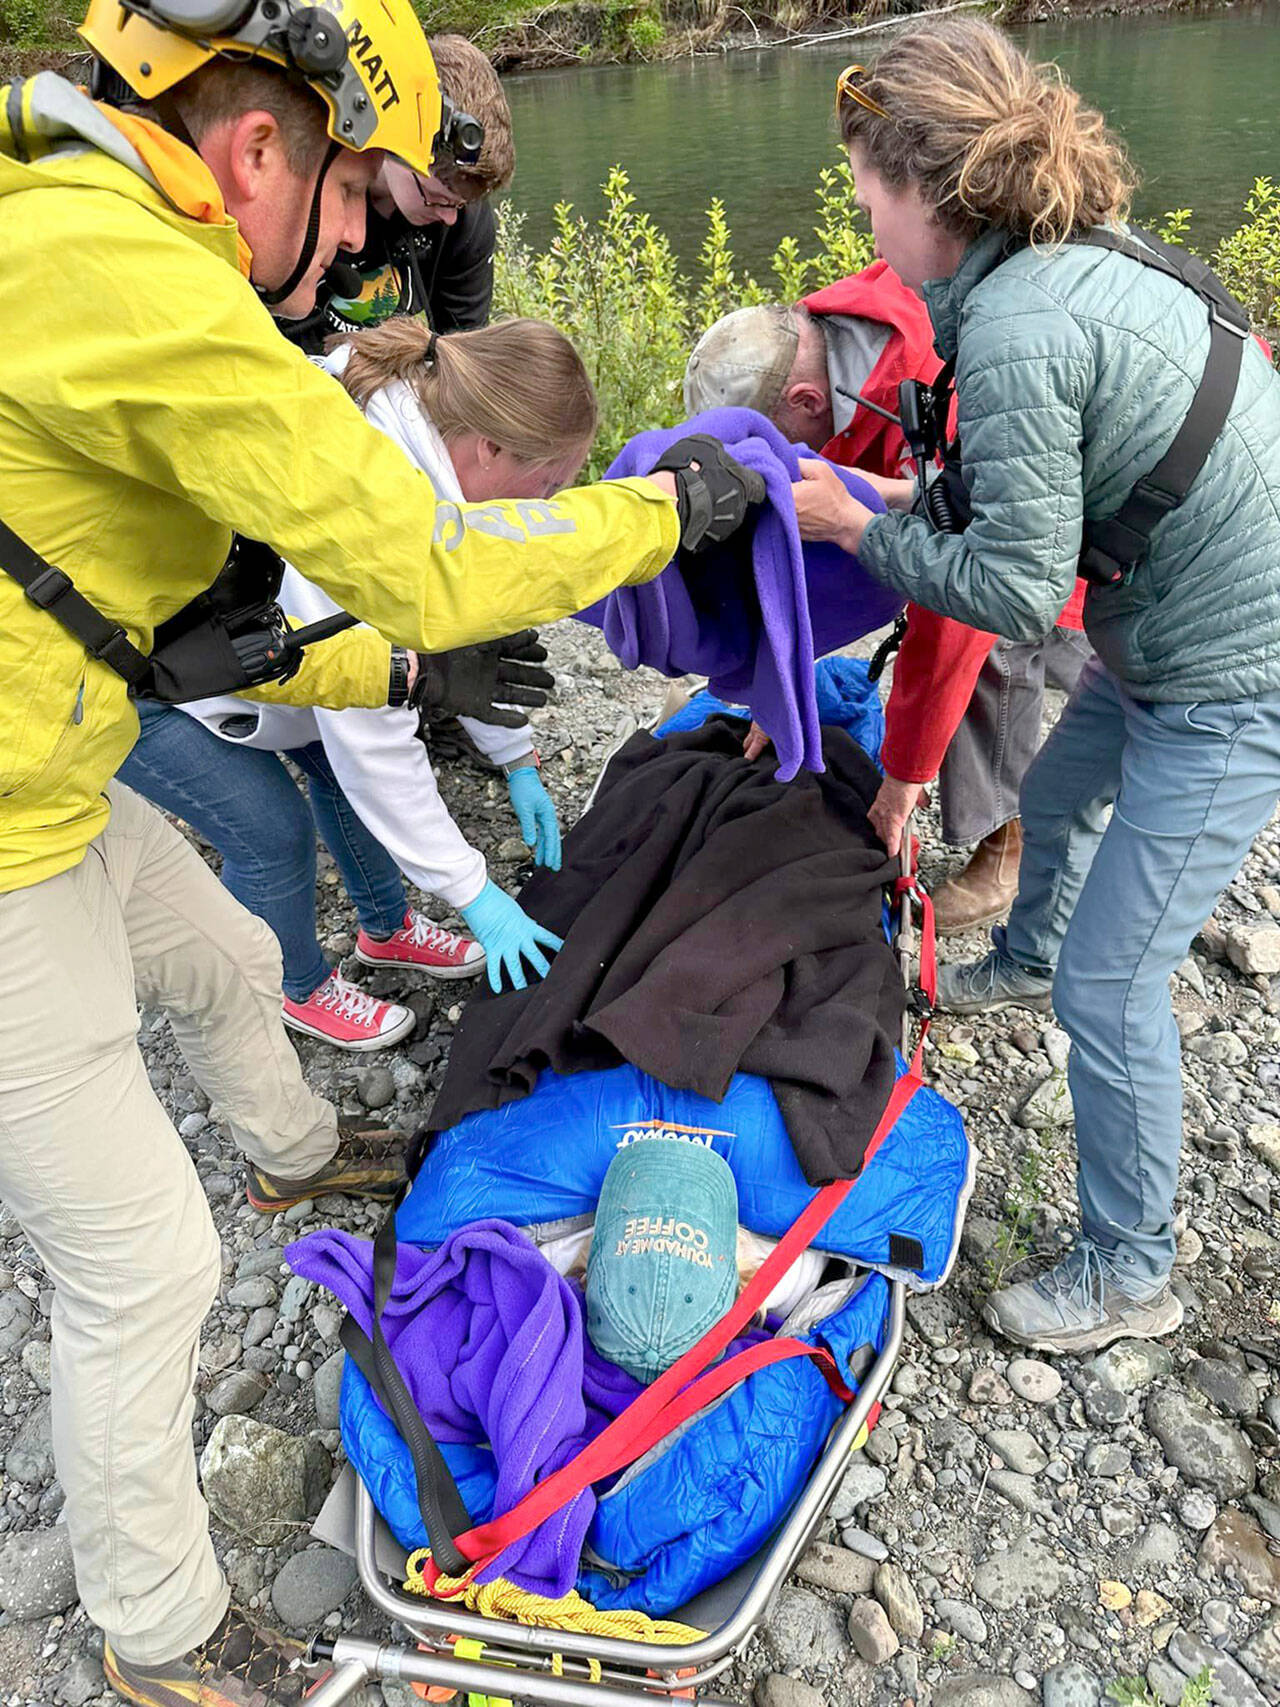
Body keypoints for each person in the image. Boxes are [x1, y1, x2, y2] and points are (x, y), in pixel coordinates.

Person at [0, 1, 760, 1694]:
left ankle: (290, 1146)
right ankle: (160, 1633)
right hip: (6, 832)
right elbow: (424, 563)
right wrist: (668, 511)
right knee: (144, 1261)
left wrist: (412, 679)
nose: (359, 244)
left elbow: (218, 641)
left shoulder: (75, 230)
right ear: (257, 144)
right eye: (353, 195)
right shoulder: (137, 283)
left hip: (56, 769)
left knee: (218, 952)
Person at [792, 18, 1280, 1356]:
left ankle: (1131, 1272)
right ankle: (1026, 952)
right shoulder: (1059, 261)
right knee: (1055, 796)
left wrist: (854, 532)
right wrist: (884, 497)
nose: (861, 217)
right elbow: (1023, 503)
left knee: (1112, 992)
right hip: (1168, 624)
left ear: (927, 191)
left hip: (1234, 677)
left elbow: (1011, 593)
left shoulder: (1016, 325)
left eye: (865, 193)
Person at [121, 317, 590, 1049]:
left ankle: (387, 927)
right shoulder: (361, 494)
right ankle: (288, 989)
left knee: (338, 778)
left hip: (265, 661)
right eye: (550, 482)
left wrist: (517, 757)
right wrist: (475, 892)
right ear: (489, 447)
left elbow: (458, 635)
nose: (547, 502)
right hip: (139, 671)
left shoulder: (422, 441)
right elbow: (372, 733)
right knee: (272, 832)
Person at [685, 286, 1089, 931]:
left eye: (777, 439)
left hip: (1071, 537)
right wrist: (774, 686)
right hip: (970, 507)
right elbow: (805, 552)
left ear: (807, 401)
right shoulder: (824, 337)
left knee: (1005, 652)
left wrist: (904, 777)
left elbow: (961, 603)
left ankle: (1007, 844)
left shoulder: (946, 386)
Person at [281, 32, 514, 353]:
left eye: (460, 204)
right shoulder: (305, 190)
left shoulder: (464, 218)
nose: (449, 218)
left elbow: (463, 348)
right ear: (399, 141)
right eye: (438, 198)